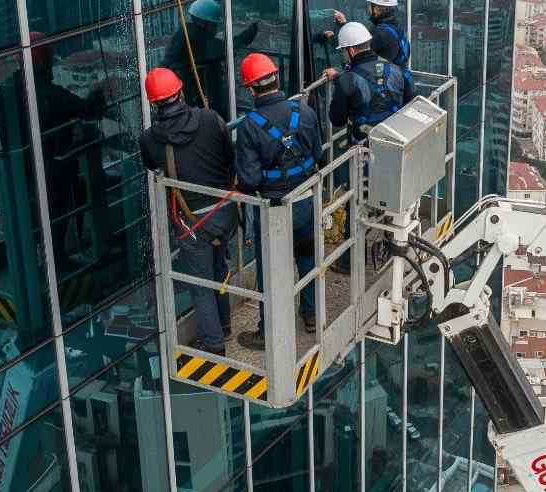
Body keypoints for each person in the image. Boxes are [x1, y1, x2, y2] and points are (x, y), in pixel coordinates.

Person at [140, 67, 236, 355]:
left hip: (192, 223)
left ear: (154, 103)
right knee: (219, 267)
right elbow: (228, 156)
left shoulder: (150, 139)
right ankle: (224, 324)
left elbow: (152, 165)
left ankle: (214, 343)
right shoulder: (210, 119)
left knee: (200, 284)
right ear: (180, 92)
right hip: (224, 210)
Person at [0, 31, 110, 272]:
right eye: (49, 58)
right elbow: (87, 110)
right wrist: (98, 97)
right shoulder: (48, 94)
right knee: (60, 208)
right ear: (43, 61)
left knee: (35, 215)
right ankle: (57, 260)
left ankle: (40, 259)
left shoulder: (6, 89)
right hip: (49, 168)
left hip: (20, 170)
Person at [234, 53, 321, 347]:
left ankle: (268, 331)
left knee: (269, 271)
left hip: (273, 210)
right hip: (306, 201)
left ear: (250, 89)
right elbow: (317, 153)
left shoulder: (249, 126)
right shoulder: (304, 112)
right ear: (277, 78)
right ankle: (310, 314)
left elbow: (249, 180)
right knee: (307, 258)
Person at [164, 0, 259, 119]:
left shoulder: (185, 35)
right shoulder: (197, 39)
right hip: (202, 95)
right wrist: (248, 35)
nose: (216, 28)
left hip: (193, 94)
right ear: (206, 25)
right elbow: (224, 48)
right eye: (214, 25)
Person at [327, 0, 415, 104]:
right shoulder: (396, 26)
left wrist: (339, 73)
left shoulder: (380, 33)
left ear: (376, 9)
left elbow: (360, 56)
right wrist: (344, 25)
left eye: (370, 5)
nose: (368, 9)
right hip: (400, 84)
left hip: (386, 90)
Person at [325, 22, 405, 144]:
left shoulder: (347, 79)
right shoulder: (396, 69)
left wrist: (340, 82)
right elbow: (409, 99)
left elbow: (337, 120)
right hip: (395, 136)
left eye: (343, 51)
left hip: (365, 143)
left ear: (351, 51)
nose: (343, 54)